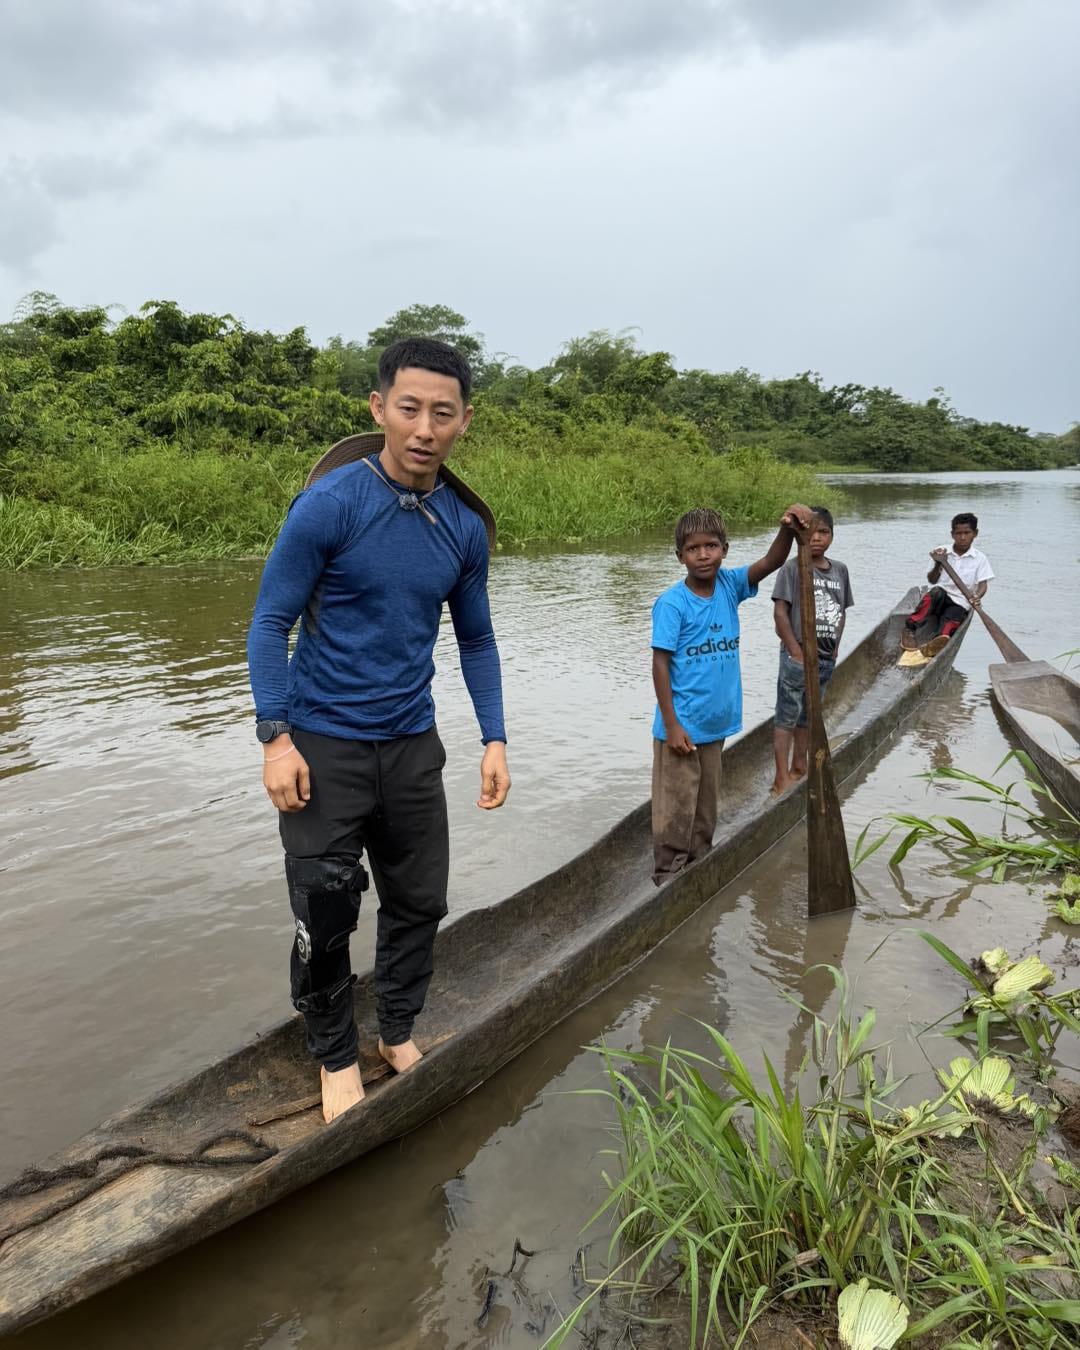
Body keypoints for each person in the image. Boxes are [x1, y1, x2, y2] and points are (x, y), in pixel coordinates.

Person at [247, 337, 511, 1124]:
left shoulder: (462, 526)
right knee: (325, 910)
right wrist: (275, 738)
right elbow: (270, 623)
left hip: (410, 745)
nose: (424, 428)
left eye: (442, 412)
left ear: (464, 421)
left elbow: (476, 639)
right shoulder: (330, 504)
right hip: (322, 747)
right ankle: (333, 1056)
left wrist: (493, 737)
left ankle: (395, 1029)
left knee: (419, 902)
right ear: (378, 410)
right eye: (409, 409)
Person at [650, 502, 812, 886]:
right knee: (676, 808)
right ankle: (668, 877)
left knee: (705, 807)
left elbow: (772, 560)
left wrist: (789, 529)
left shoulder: (729, 585)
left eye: (711, 546)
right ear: (680, 556)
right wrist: (672, 725)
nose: (703, 555)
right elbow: (659, 665)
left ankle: (700, 864)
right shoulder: (673, 604)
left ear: (724, 548)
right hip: (681, 729)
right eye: (693, 549)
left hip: (715, 724)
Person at [770, 506, 854, 796]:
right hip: (798, 655)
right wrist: (794, 650)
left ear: (832, 535)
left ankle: (800, 766)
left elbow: (841, 612)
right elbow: (781, 613)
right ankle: (781, 776)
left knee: (809, 715)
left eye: (824, 532)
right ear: (799, 535)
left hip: (825, 658)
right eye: (810, 532)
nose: (817, 538)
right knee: (786, 715)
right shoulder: (792, 569)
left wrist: (835, 649)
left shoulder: (840, 570)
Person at [904, 511, 993, 642]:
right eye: (958, 533)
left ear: (975, 533)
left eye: (967, 533)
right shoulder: (941, 552)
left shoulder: (980, 558)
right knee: (934, 594)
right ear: (952, 534)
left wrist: (977, 596)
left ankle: (937, 642)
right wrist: (938, 563)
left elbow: (983, 585)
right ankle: (909, 628)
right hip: (940, 596)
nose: (962, 537)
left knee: (948, 627)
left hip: (960, 601)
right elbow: (931, 580)